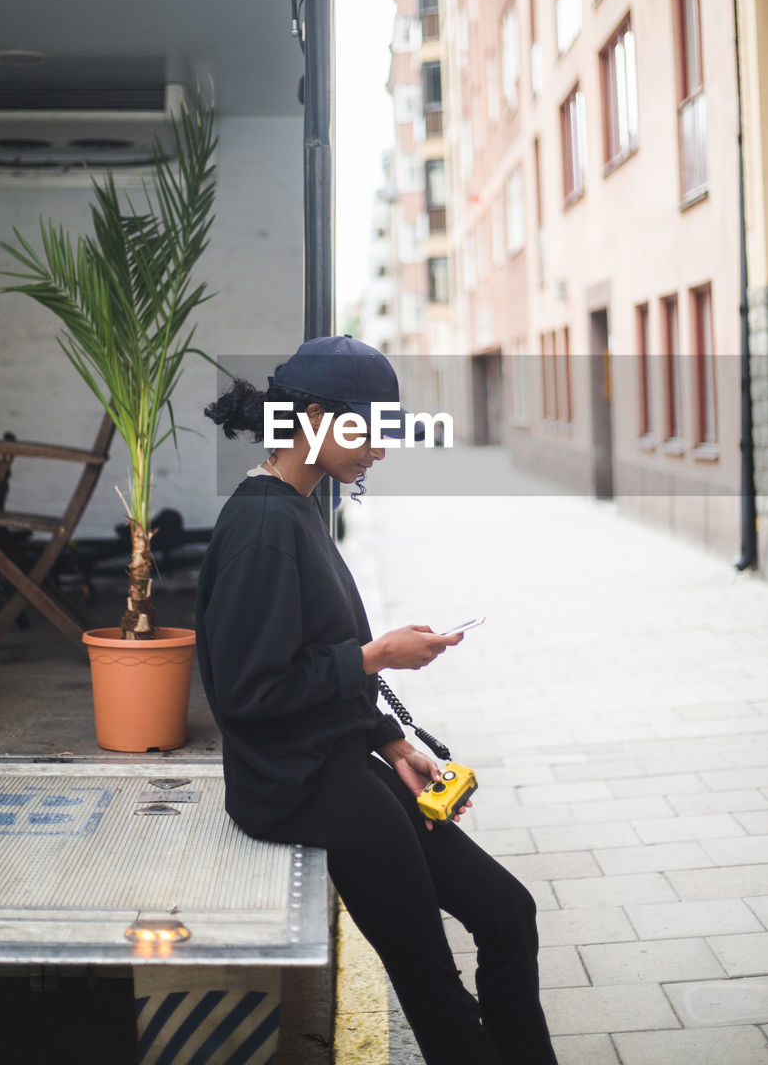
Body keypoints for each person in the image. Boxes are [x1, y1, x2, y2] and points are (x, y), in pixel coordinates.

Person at [196, 335, 558, 1065]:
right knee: (432, 983)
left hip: (342, 760)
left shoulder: (299, 507)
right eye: (369, 432)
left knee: (506, 912)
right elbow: (246, 691)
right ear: (318, 417)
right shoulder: (264, 527)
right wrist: (374, 654)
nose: (379, 452)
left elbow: (311, 661)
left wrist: (392, 741)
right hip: (295, 782)